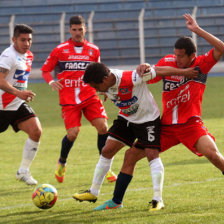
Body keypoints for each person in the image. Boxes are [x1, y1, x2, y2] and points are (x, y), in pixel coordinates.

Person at [92, 13, 224, 211]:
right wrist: (144, 68)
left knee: (214, 155)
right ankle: (116, 202)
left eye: (181, 56)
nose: (177, 59)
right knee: (130, 156)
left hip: (191, 125)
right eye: (175, 54)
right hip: (166, 127)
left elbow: (221, 48)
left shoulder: (201, 65)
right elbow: (145, 77)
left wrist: (197, 30)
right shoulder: (169, 62)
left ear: (192, 56)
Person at [73, 62, 198, 211]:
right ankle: (93, 192)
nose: (96, 90)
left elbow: (159, 70)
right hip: (127, 118)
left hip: (148, 120)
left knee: (152, 154)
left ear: (105, 79)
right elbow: (107, 88)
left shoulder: (132, 77)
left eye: (96, 87)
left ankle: (158, 200)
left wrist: (186, 73)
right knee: (107, 150)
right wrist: (106, 93)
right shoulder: (105, 79)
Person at [41, 15, 116, 183]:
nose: (77, 33)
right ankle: (62, 162)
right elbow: (45, 70)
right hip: (69, 99)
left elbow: (100, 71)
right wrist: (52, 81)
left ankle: (106, 168)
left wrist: (105, 89)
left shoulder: (93, 50)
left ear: (85, 29)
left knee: (103, 127)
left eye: (80, 29)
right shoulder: (60, 50)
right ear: (70, 30)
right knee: (73, 133)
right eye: (74, 30)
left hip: (90, 95)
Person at [0, 24, 42, 185]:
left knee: (36, 131)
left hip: (17, 104)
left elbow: (18, 78)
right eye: (22, 40)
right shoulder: (8, 56)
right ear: (14, 40)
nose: (26, 43)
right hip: (2, 106)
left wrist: (22, 92)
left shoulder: (28, 55)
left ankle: (23, 171)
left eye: (29, 40)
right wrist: (19, 92)